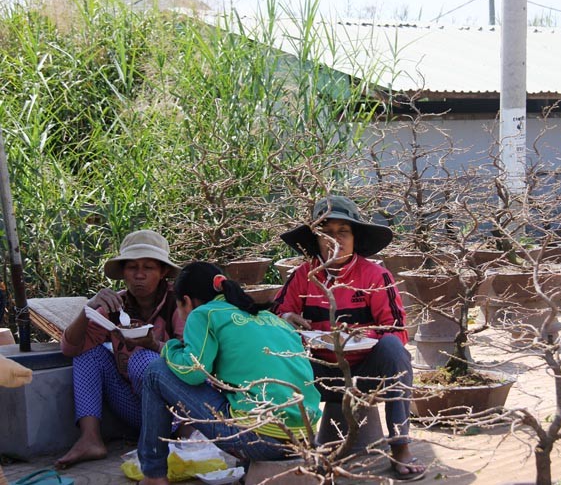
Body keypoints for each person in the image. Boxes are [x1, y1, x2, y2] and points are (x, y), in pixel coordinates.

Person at [272, 195, 426, 482]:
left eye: (343, 232)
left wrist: (359, 335)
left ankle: (400, 445)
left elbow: (397, 329)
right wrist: (285, 320)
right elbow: (274, 317)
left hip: (365, 374)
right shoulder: (303, 275)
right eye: (326, 233)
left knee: (393, 348)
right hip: (317, 373)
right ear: (315, 240)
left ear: (355, 237)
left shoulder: (375, 275)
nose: (335, 240)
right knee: (276, 351)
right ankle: (294, 446)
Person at [138, 262, 321, 485]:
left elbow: (193, 371)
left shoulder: (204, 314)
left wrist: (169, 348)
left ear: (186, 301)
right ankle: (246, 467)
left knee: (156, 371)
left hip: (261, 440)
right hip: (306, 436)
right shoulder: (271, 317)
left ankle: (153, 475)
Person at [56, 230, 182, 469]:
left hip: (177, 414)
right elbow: (70, 348)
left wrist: (154, 345)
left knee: (144, 359)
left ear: (163, 272)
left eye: (148, 268)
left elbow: (194, 360)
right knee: (88, 354)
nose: (139, 276)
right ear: (123, 272)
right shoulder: (116, 306)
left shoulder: (178, 303)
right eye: (132, 268)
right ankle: (90, 439)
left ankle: (156, 444)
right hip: (136, 410)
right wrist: (88, 310)